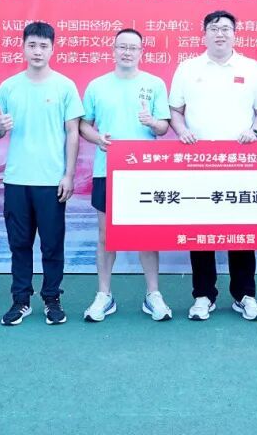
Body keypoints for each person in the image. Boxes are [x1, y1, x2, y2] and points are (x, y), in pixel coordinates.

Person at [169, 10, 257, 321]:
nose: (220, 33)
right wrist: (181, 130)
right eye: (214, 28)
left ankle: (245, 295)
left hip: (240, 163)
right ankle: (203, 295)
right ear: (204, 35)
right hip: (198, 163)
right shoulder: (188, 68)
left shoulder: (251, 68)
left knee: (241, 229)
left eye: (226, 28)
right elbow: (175, 110)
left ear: (235, 34)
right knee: (201, 230)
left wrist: (255, 131)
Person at [0, 21, 83, 326]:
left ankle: (52, 298)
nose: (37, 51)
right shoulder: (9, 86)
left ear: (53, 49)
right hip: (17, 179)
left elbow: (73, 133)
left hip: (51, 180)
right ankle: (20, 300)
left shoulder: (65, 86)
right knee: (19, 244)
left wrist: (69, 174)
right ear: (22, 47)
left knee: (52, 244)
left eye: (43, 46)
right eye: (32, 45)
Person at [80, 28, 173, 322]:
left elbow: (164, 127)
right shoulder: (97, 86)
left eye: (133, 48)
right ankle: (104, 295)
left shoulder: (154, 84)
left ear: (141, 52)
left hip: (144, 170)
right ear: (113, 50)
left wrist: (152, 122)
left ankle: (153, 294)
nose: (127, 52)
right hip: (107, 169)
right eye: (122, 47)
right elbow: (84, 125)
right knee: (106, 235)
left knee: (147, 233)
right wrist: (97, 138)